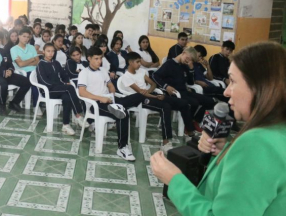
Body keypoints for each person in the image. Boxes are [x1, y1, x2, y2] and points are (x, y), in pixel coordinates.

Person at [151, 41, 286, 216]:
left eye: (234, 82)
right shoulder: (278, 131)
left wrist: (174, 180)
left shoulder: (256, 143)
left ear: (260, 87)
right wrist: (226, 151)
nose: (227, 92)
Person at [78, 47, 143, 161]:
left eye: (101, 58)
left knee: (140, 95)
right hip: (96, 104)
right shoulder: (84, 73)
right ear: (89, 59)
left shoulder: (103, 70)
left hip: (109, 100)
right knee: (123, 113)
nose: (99, 61)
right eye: (96, 59)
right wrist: (101, 98)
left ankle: (120, 106)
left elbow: (111, 86)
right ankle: (122, 148)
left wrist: (112, 96)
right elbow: (82, 92)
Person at [121, 52, 181, 153]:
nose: (140, 64)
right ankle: (166, 143)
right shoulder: (126, 76)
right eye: (138, 62)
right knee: (165, 107)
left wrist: (149, 91)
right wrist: (155, 96)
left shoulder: (140, 72)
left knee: (176, 102)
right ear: (130, 62)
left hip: (148, 95)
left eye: (140, 61)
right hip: (140, 99)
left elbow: (153, 84)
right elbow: (140, 93)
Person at [152, 46, 214, 131]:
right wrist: (166, 86)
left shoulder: (185, 66)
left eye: (190, 60)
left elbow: (191, 83)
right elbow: (155, 75)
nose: (187, 61)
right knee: (194, 103)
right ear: (183, 53)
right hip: (175, 93)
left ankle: (194, 120)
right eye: (187, 58)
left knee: (210, 101)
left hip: (184, 91)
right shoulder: (169, 63)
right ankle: (189, 127)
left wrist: (191, 69)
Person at [36, 43, 88, 135]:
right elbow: (44, 81)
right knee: (70, 88)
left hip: (60, 89)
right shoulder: (41, 64)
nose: (51, 53)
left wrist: (66, 81)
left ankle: (66, 125)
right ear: (43, 52)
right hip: (48, 90)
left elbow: (64, 75)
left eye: (52, 51)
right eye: (48, 51)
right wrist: (63, 84)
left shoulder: (56, 63)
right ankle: (78, 115)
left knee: (67, 97)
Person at [0, 31, 31, 115]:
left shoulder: (2, 51)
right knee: (3, 85)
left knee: (26, 82)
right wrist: (3, 72)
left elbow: (10, 63)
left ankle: (14, 103)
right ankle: (2, 106)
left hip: (6, 74)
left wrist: (10, 70)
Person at [11, 28, 39, 107]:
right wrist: (32, 59)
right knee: (34, 81)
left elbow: (38, 61)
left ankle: (42, 101)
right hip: (23, 72)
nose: (26, 39)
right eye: (24, 36)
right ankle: (36, 105)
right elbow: (20, 65)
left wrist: (25, 62)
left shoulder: (31, 47)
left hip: (34, 70)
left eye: (28, 37)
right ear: (19, 36)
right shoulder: (13, 49)